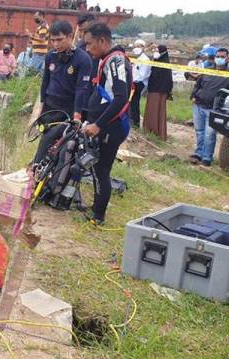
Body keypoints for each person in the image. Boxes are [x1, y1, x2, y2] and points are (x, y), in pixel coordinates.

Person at [82, 23, 133, 225]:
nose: (87, 49)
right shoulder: (108, 59)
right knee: (96, 168)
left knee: (102, 169)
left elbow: (120, 98)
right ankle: (96, 207)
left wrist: (98, 125)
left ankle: (98, 216)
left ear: (102, 41)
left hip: (112, 126)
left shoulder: (115, 61)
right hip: (106, 123)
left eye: (89, 44)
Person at [33, 20, 92, 164]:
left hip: (69, 107)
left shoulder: (83, 59)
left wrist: (77, 114)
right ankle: (41, 167)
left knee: (62, 142)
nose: (55, 44)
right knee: (46, 137)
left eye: (59, 40)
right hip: (50, 105)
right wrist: (41, 105)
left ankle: (39, 167)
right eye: (52, 40)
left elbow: (81, 89)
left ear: (70, 36)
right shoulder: (50, 56)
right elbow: (45, 82)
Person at [189, 47, 229, 166]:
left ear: (227, 58)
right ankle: (198, 153)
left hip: (214, 109)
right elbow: (198, 85)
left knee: (210, 134)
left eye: (222, 57)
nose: (219, 59)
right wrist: (193, 96)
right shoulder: (208, 70)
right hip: (199, 105)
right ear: (214, 58)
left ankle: (206, 158)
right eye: (217, 56)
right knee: (199, 131)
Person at [143, 45, 173, 141]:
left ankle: (155, 132)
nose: (155, 52)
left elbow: (166, 79)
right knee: (153, 111)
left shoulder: (164, 64)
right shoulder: (158, 62)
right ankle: (151, 130)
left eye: (157, 50)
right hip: (155, 90)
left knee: (156, 112)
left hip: (158, 91)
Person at [130, 39, 151, 128]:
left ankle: (135, 122)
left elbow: (143, 75)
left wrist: (134, 81)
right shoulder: (137, 58)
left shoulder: (145, 59)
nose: (136, 48)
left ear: (143, 47)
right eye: (135, 46)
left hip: (139, 84)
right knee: (131, 103)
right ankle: (132, 120)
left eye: (138, 46)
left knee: (134, 103)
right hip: (134, 82)